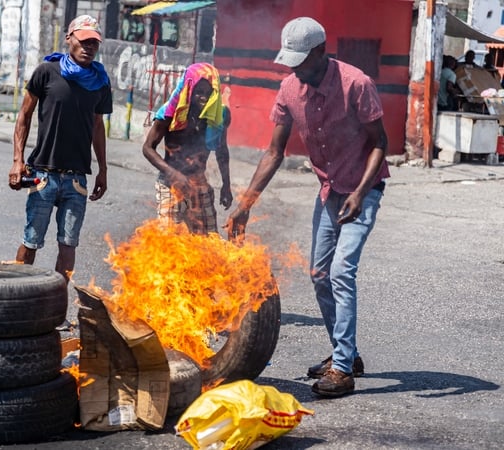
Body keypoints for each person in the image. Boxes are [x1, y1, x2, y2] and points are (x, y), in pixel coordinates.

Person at [225, 17, 389, 398]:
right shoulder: (288, 89)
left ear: (321, 51)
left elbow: (380, 142)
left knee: (341, 272)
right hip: (330, 192)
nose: (296, 69)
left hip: (363, 190)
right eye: (291, 63)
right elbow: (273, 152)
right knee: (319, 274)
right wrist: (245, 204)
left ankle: (343, 370)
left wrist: (361, 192)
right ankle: (345, 353)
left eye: (302, 61)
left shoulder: (356, 84)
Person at [8, 14, 112, 328]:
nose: (89, 47)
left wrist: (103, 170)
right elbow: (24, 116)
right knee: (31, 241)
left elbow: (98, 127)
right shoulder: (46, 72)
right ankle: (17, 303)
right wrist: (17, 160)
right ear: (69, 38)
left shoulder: (99, 81)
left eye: (94, 42)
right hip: (42, 175)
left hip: (77, 181)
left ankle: (52, 311)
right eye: (84, 40)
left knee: (68, 247)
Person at [142, 62, 232, 235]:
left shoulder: (218, 115)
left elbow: (222, 151)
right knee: (169, 242)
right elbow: (147, 148)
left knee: (208, 240)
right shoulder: (171, 111)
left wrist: (226, 185)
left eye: (208, 93)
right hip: (170, 182)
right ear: (188, 90)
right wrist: (173, 174)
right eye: (199, 92)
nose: (203, 98)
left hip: (198, 182)